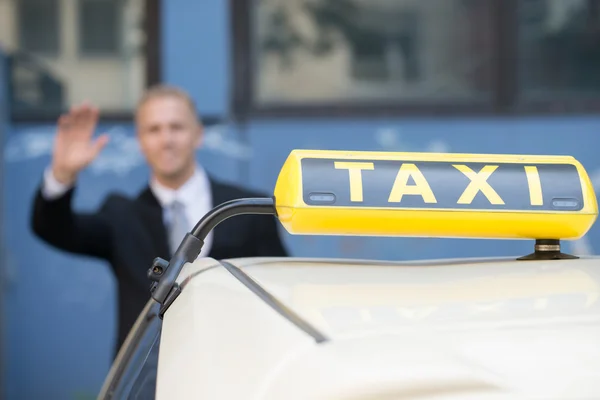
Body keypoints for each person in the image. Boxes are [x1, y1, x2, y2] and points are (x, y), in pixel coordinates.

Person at [30, 85, 288, 355]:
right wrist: (61, 175)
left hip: (232, 368)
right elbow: (54, 229)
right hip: (148, 380)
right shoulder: (121, 215)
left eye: (176, 127)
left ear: (198, 135)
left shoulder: (244, 209)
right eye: (153, 129)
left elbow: (279, 286)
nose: (166, 139)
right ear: (140, 141)